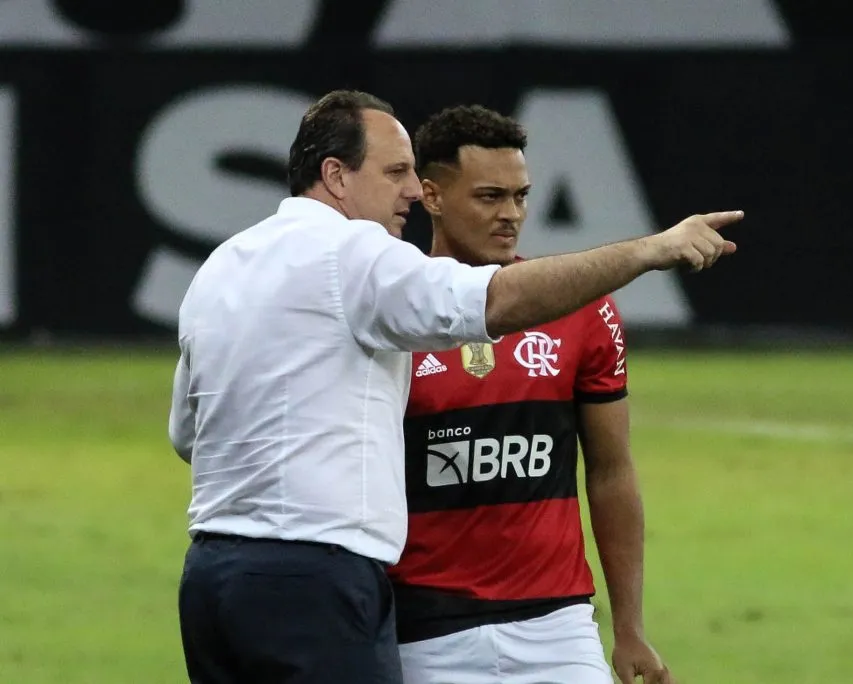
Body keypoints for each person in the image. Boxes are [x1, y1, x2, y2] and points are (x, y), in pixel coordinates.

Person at [169, 89, 742, 684]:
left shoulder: (222, 266)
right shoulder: (357, 255)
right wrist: (647, 250)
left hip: (213, 577)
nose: (411, 191)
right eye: (395, 172)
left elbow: (189, 434)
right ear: (335, 176)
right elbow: (493, 298)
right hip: (324, 580)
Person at [389, 105, 677, 684]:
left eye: (521, 196)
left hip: (559, 628)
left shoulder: (584, 309)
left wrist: (629, 628)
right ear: (432, 196)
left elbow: (612, 471)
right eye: (490, 196)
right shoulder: (390, 313)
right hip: (422, 631)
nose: (511, 215)